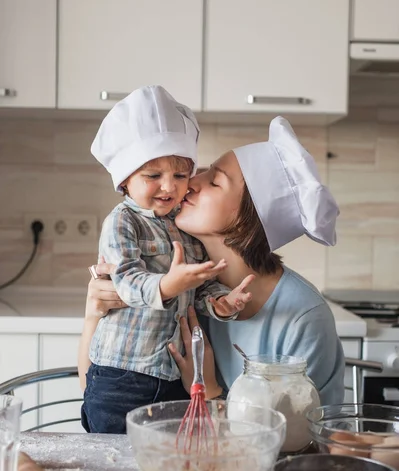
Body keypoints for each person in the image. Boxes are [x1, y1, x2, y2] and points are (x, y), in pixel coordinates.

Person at [80, 115, 345, 412]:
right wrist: (94, 314)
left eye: (215, 181)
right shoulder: (175, 281)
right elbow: (95, 394)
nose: (191, 183)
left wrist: (210, 390)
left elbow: (305, 441)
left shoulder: (304, 317)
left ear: (251, 218)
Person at [81, 85, 253, 434]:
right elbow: (126, 280)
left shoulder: (182, 225)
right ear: (125, 180)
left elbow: (196, 289)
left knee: (164, 468)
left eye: (179, 175)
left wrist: (220, 300)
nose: (169, 187)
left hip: (171, 376)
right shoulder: (122, 221)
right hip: (120, 378)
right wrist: (166, 284)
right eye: (153, 176)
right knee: (116, 469)